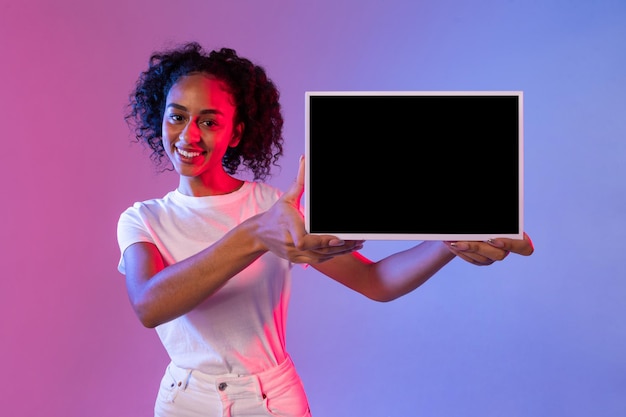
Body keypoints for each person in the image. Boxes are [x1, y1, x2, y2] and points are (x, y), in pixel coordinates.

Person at [117, 41, 534, 417]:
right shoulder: (143, 219)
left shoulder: (269, 206)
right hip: (183, 402)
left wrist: (447, 243)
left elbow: (376, 281)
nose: (189, 134)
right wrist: (254, 236)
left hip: (270, 401)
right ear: (162, 121)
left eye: (209, 122)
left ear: (236, 132)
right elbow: (150, 306)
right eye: (178, 117)